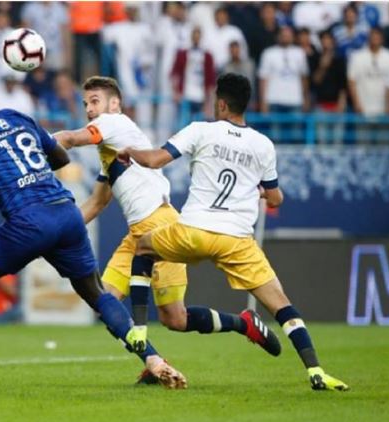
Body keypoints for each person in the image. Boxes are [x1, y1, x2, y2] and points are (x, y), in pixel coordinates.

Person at [0, 73, 185, 393]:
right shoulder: (17, 117)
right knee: (97, 294)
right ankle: (154, 360)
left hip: (28, 222)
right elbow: (61, 157)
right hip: (65, 213)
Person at [116, 73, 349, 392]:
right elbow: (276, 198)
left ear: (222, 104)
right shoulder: (263, 145)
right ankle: (316, 371)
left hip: (194, 231)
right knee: (281, 304)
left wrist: (130, 151)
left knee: (143, 247)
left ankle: (140, 331)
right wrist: (259, 190)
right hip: (237, 240)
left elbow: (155, 160)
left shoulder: (201, 130)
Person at [54, 75, 279, 383]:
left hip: (160, 225)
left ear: (114, 104)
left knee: (174, 318)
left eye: (95, 101)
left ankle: (243, 325)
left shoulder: (113, 123)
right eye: (85, 104)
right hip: (138, 234)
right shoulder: (112, 148)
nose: (89, 109)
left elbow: (70, 138)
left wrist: (36, 141)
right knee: (107, 303)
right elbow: (96, 203)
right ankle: (155, 362)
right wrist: (59, 231)